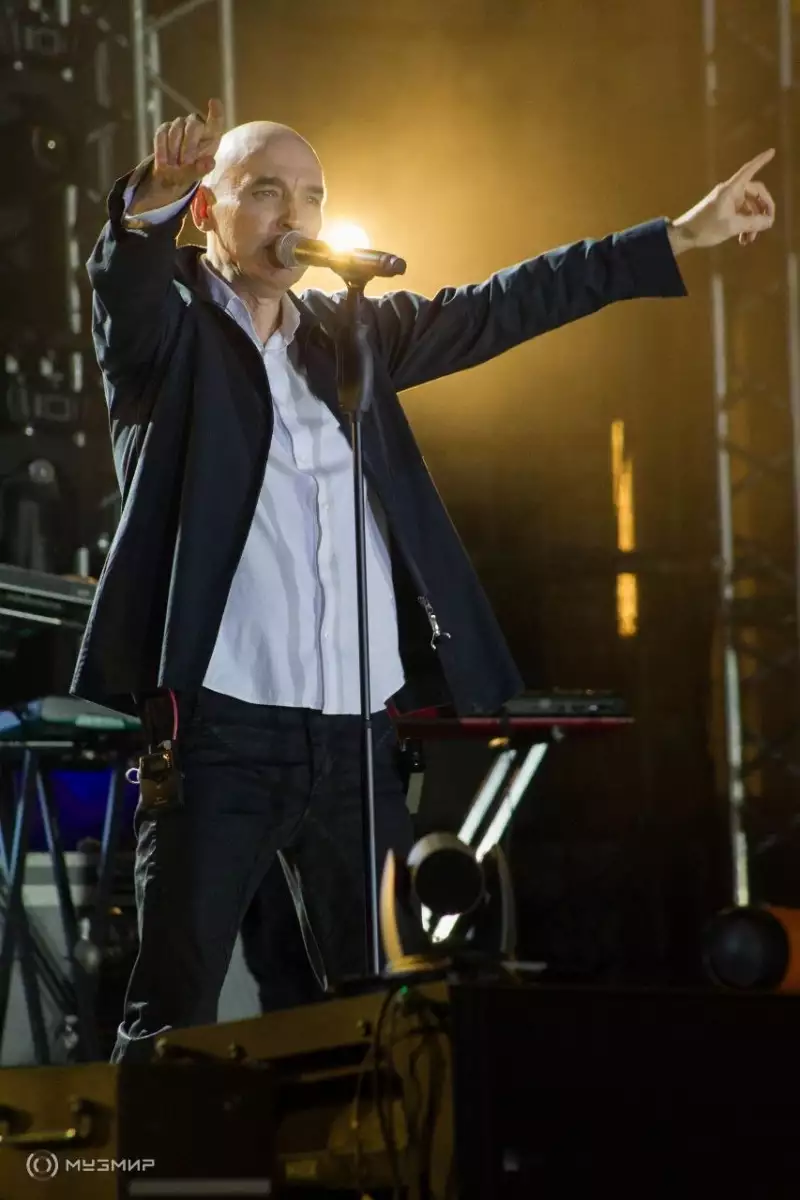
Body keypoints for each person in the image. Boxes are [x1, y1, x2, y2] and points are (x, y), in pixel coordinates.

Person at [71, 98, 775, 1062]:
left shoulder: (349, 335)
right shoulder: (170, 338)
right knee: (173, 1021)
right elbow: (123, 283)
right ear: (207, 211)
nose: (294, 215)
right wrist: (149, 198)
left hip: (357, 741)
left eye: (311, 196)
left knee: (392, 1020)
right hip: (220, 738)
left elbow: (506, 303)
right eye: (265, 192)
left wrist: (680, 235)